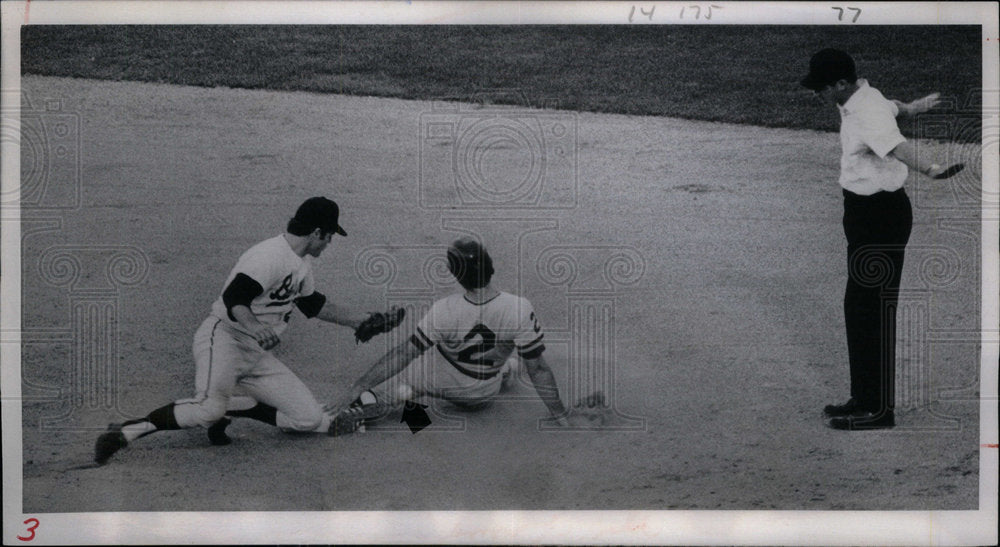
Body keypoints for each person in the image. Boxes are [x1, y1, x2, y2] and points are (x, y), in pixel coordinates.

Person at [94, 197, 402, 464]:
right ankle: (125, 431)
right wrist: (254, 327)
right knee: (207, 410)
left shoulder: (302, 263)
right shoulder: (268, 256)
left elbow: (314, 305)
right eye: (330, 236)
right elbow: (233, 299)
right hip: (224, 340)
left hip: (256, 353)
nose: (329, 243)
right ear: (317, 232)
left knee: (307, 419)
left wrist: (362, 320)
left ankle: (237, 408)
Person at [800, 48, 964, 430]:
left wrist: (932, 169)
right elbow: (893, 107)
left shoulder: (866, 111)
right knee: (860, 308)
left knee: (869, 310)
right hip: (864, 215)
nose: (817, 95)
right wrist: (914, 107)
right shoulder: (863, 96)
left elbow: (897, 146)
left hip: (879, 218)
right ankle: (864, 398)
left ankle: (877, 410)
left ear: (840, 84)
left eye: (821, 88)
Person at [323, 236, 592, 434]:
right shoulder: (519, 308)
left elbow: (404, 354)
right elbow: (540, 369)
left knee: (401, 385)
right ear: (492, 268)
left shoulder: (444, 310)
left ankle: (388, 408)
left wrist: (357, 386)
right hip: (482, 393)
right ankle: (505, 372)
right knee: (514, 364)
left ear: (456, 276)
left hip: (441, 381)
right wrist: (560, 414)